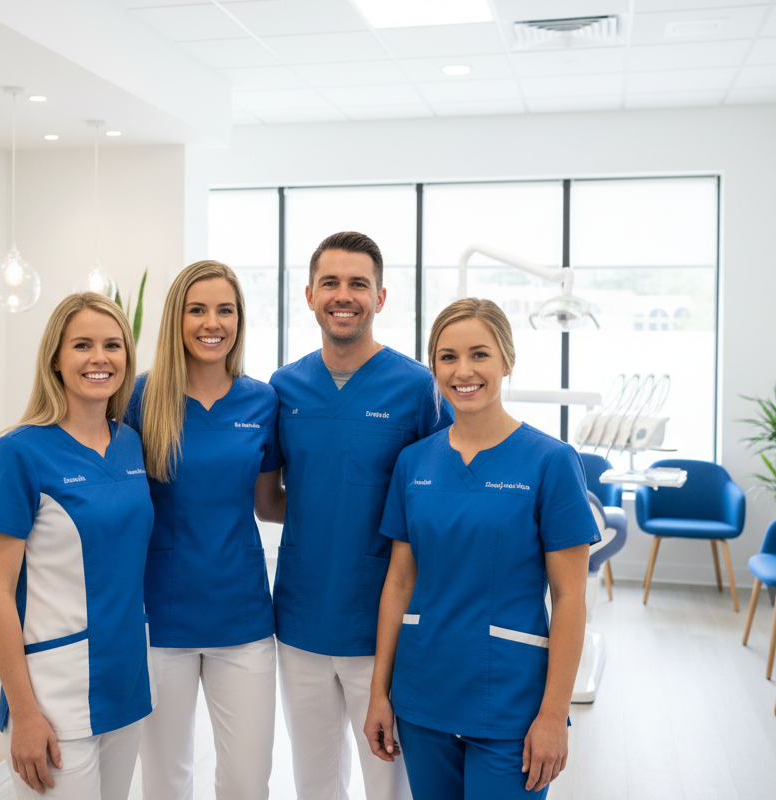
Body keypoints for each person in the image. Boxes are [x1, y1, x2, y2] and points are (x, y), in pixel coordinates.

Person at [363, 298, 600, 799]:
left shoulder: (551, 462)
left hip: (511, 701)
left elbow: (571, 597)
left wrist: (555, 714)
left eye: (479, 354)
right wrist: (379, 693)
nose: (463, 371)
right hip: (423, 692)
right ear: (434, 368)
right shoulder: (413, 462)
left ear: (506, 362)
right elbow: (401, 581)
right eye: (447, 357)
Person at [269, 231, 452, 799]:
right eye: (331, 282)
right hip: (300, 615)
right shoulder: (285, 387)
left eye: (358, 284)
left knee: (388, 779)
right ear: (308, 294)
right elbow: (269, 496)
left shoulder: (418, 388)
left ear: (381, 297)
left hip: (384, 622)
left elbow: (440, 499)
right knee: (314, 777)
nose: (343, 295)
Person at [0, 292, 154, 799]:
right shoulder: (18, 452)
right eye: (82, 345)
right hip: (55, 698)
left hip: (125, 683)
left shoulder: (129, 443)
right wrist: (25, 712)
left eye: (112, 345)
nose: (100, 358)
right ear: (56, 357)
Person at [126, 260, 285, 800]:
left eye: (225, 310)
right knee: (166, 781)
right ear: (176, 318)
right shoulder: (139, 399)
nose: (211, 322)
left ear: (239, 319)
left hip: (241, 618)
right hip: (159, 618)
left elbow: (269, 504)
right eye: (197, 309)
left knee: (247, 781)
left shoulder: (262, 402)